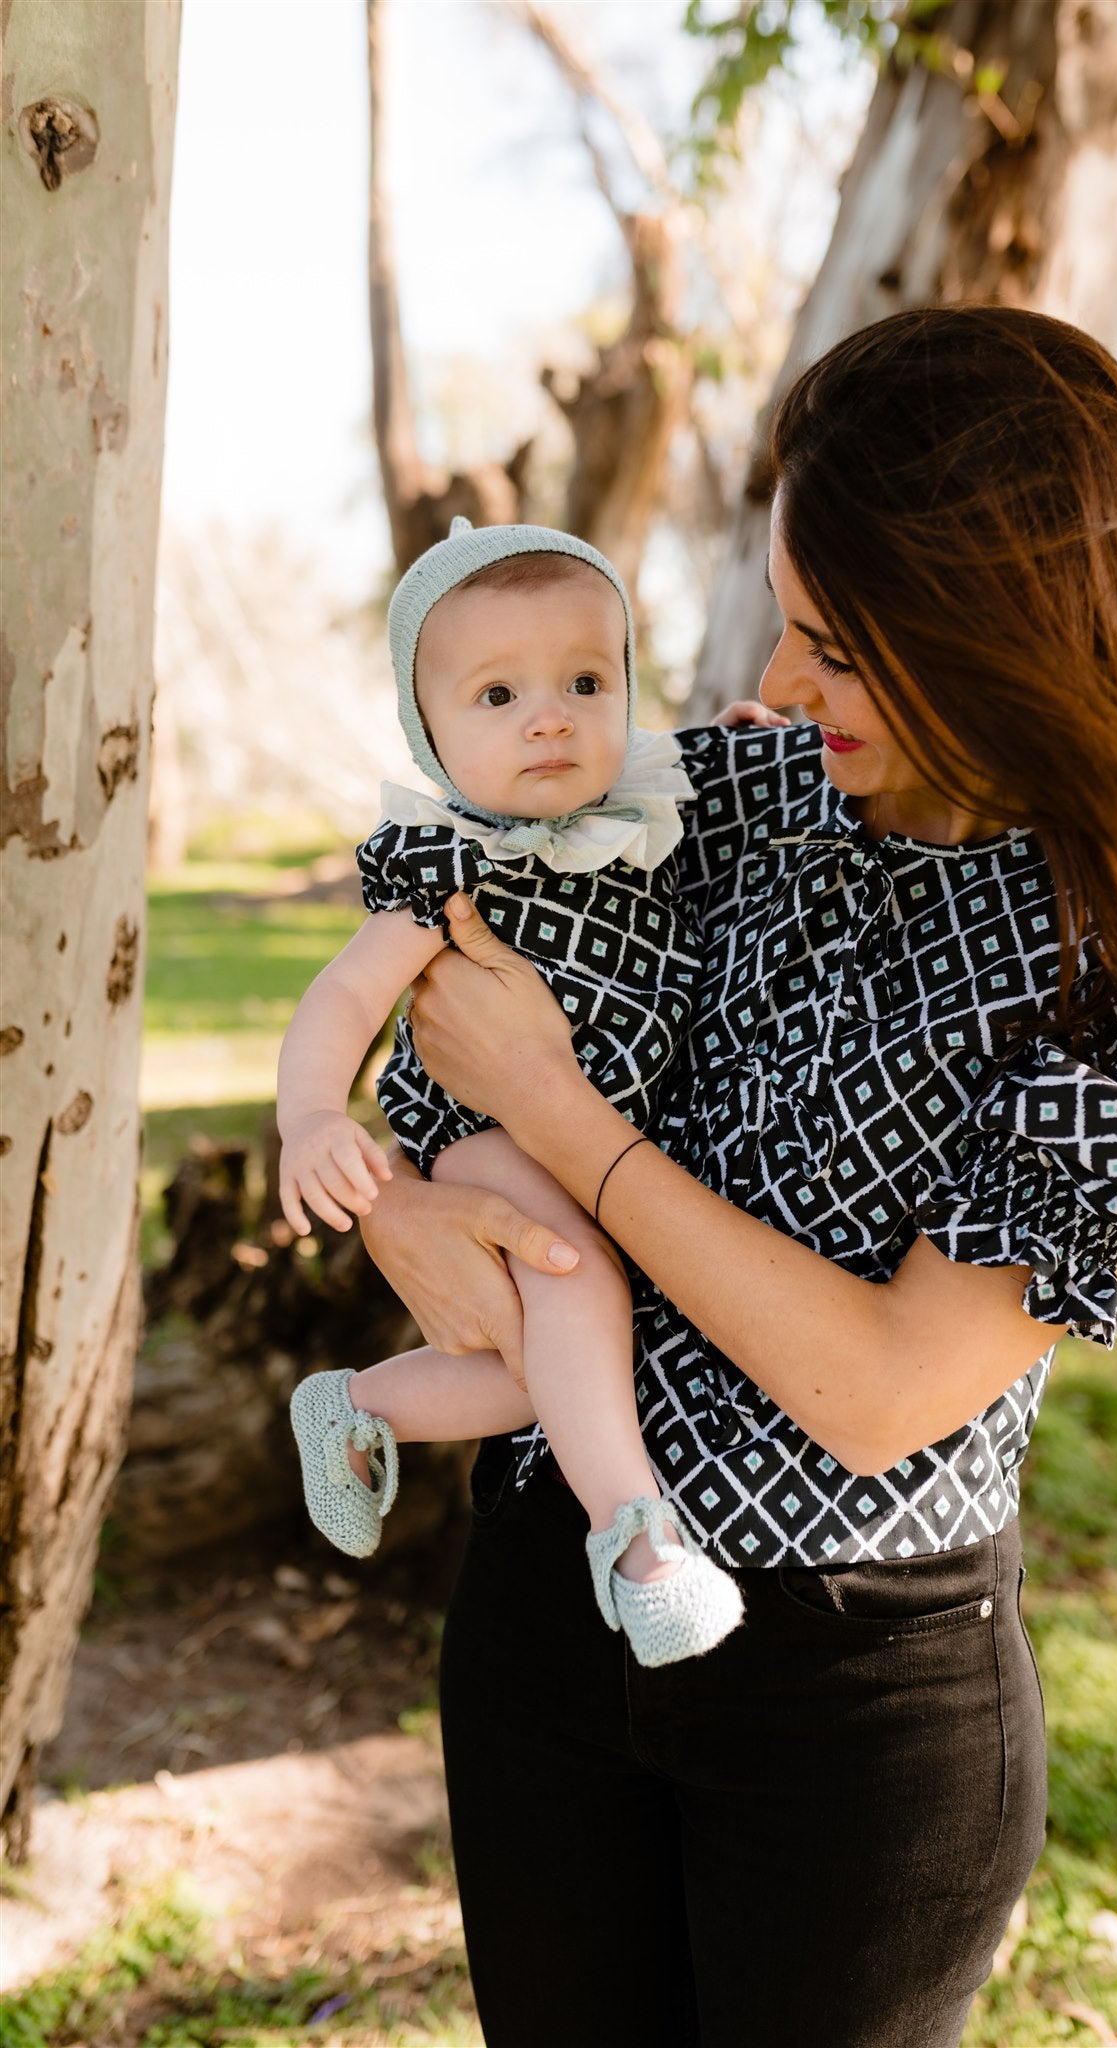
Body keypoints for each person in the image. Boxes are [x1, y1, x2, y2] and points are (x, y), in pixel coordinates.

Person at [358, 309, 1117, 2048]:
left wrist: (573, 1129)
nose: (786, 684)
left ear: (1016, 635)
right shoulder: (752, 796)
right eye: (789, 621)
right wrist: (420, 1199)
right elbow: (448, 956)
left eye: (846, 643)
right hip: (549, 1599)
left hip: (853, 1701)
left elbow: (880, 1386)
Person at [278, 518, 755, 1666]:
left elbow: (726, 777)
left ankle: (361, 1405)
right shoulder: (450, 863)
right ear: (429, 731)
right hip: (489, 1132)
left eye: (587, 681)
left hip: (593, 1137)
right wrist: (310, 1115)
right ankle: (638, 1543)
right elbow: (341, 1002)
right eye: (498, 695)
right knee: (574, 1282)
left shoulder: (647, 813)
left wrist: (745, 741)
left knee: (555, 1361)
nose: (551, 716)